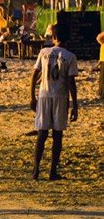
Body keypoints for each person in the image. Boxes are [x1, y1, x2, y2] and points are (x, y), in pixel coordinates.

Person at [30, 25, 79, 181]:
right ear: (68, 39)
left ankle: (36, 170)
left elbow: (34, 74)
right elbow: (71, 82)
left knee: (42, 133)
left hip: (44, 94)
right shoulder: (70, 57)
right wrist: (75, 104)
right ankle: (52, 171)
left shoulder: (44, 53)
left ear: (53, 37)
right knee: (57, 135)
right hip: (60, 96)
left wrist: (32, 96)